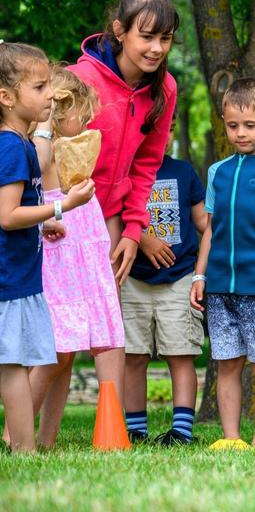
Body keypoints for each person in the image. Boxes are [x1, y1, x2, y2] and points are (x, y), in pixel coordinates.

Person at [190, 78, 255, 449]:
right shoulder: (218, 172)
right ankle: (232, 439)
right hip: (220, 289)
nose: (240, 133)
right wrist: (199, 275)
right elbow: (210, 229)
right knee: (227, 364)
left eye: (249, 125)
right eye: (232, 125)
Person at [21, 67, 125, 449]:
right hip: (60, 249)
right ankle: (16, 433)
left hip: (84, 243)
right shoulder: (40, 146)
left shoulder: (72, 151)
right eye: (81, 112)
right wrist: (46, 121)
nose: (86, 121)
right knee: (54, 352)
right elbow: (43, 157)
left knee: (65, 358)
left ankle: (46, 439)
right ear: (59, 111)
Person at [0, 43, 94, 453]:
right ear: (6, 97)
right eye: (39, 87)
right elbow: (6, 216)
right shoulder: (9, 146)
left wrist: (46, 221)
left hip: (20, 277)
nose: (49, 96)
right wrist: (64, 205)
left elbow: (20, 210)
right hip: (9, 281)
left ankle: (22, 446)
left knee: (17, 364)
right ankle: (23, 448)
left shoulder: (18, 144)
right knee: (14, 366)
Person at [68, 0, 180, 288]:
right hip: (67, 213)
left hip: (112, 217)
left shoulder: (165, 88)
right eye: (147, 37)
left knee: (108, 323)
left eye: (165, 38)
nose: (157, 48)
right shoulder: (82, 80)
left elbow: (146, 165)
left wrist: (133, 230)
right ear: (120, 31)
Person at [121, 121, 208, 445]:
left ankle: (182, 431)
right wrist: (142, 239)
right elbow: (113, 219)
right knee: (134, 356)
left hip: (179, 278)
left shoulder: (184, 172)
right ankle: (135, 430)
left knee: (180, 353)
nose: (159, 136)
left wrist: (200, 273)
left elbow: (205, 225)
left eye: (167, 129)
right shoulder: (124, 173)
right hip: (134, 279)